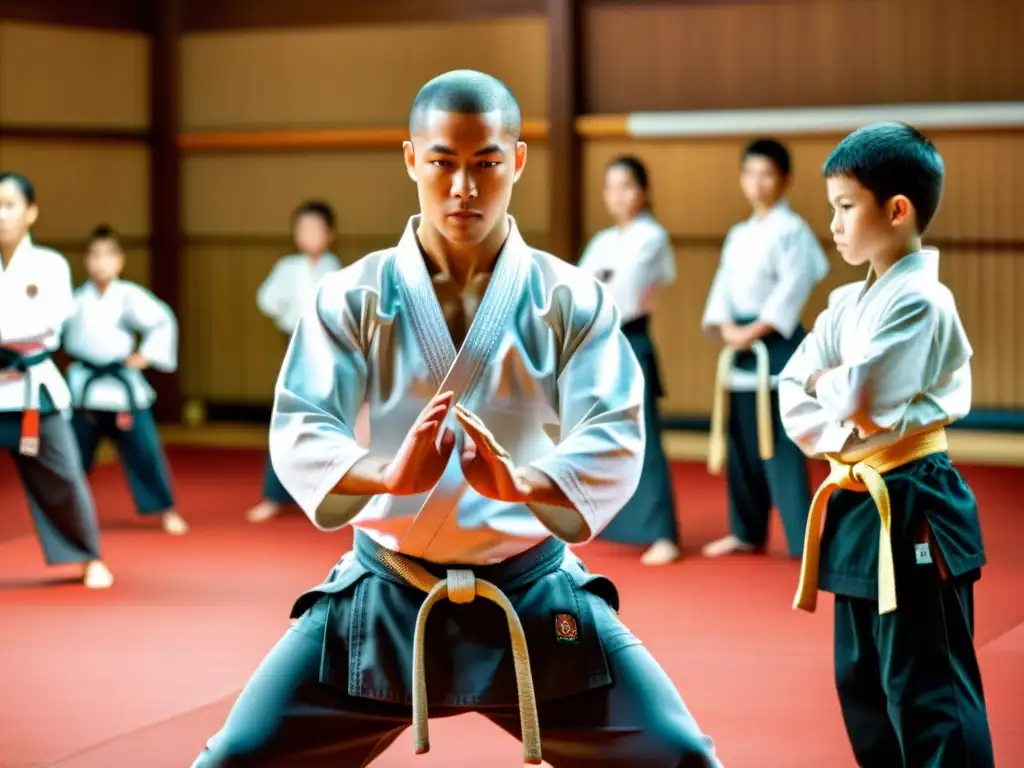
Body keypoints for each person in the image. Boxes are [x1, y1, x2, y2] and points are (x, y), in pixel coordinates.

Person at [193, 69, 720, 768]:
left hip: (532, 593)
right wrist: (384, 471)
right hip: (384, 594)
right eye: (443, 162)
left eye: (486, 163)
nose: (463, 187)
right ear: (412, 159)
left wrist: (524, 482)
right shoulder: (352, 296)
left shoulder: (569, 298)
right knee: (235, 758)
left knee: (681, 756)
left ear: (518, 161)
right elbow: (302, 422)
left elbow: (614, 431)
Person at [778, 122, 993, 767]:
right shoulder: (845, 301)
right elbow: (792, 388)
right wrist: (835, 400)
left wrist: (836, 390)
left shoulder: (925, 300)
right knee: (862, 680)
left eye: (846, 207)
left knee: (925, 684)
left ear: (897, 209)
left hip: (916, 495)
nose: (835, 223)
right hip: (859, 496)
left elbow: (862, 398)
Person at [700, 138, 829, 559]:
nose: (757, 183)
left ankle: (802, 538)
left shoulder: (793, 231)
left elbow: (795, 285)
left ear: (785, 179)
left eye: (767, 173)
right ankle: (746, 530)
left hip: (775, 346)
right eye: (750, 174)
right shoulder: (738, 235)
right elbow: (721, 288)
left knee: (782, 445)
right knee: (741, 445)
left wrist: (755, 329)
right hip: (740, 350)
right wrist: (726, 328)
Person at [0, 172, 113, 588]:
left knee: (63, 476)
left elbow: (51, 319)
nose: (1, 214)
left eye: (9, 205)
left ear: (31, 213)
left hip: (32, 387)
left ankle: (88, 557)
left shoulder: (49, 264)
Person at [578, 155, 681, 566]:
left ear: (644, 190)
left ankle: (664, 533)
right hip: (601, 344)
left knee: (646, 437)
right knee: (608, 435)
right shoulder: (603, 240)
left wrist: (603, 280)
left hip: (632, 338)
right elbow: (582, 286)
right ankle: (620, 523)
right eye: (612, 187)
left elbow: (626, 288)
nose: (619, 195)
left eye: (627, 185)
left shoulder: (650, 236)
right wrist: (603, 278)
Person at [63, 225, 187, 536]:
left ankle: (165, 509)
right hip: (85, 390)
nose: (100, 263)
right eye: (93, 255)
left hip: (121, 389)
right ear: (85, 260)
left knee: (145, 451)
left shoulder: (128, 295)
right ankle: (65, 514)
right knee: (71, 455)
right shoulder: (75, 300)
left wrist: (145, 356)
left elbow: (162, 321)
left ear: (119, 261)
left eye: (107, 256)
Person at [245, 201, 342, 524]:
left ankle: (330, 495)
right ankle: (275, 496)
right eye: (303, 229)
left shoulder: (337, 268)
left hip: (330, 354)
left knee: (332, 426)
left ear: (330, 234)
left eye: (316, 229)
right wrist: (288, 314)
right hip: (296, 349)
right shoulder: (288, 267)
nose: (310, 235)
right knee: (287, 422)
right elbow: (267, 299)